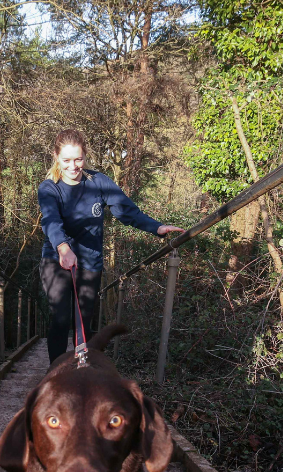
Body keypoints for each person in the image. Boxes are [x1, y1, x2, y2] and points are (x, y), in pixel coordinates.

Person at [37, 129, 184, 362]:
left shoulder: (99, 182)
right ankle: (55, 371)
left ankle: (80, 370)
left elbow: (126, 211)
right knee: (61, 317)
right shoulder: (49, 188)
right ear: (56, 157)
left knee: (83, 320)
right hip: (57, 259)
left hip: (89, 261)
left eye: (78, 159)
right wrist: (63, 248)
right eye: (66, 160)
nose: (73, 166)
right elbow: (51, 220)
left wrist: (156, 227)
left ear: (85, 155)